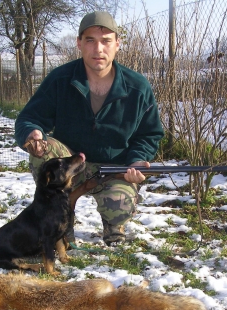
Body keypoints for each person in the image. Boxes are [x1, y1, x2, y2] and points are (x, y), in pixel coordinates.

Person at [15, 11, 164, 246]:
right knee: (46, 150)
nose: (98, 49)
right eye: (90, 40)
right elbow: (30, 117)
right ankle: (61, 221)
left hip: (114, 168)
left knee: (119, 205)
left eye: (106, 41)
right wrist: (33, 133)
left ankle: (114, 225)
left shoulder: (138, 87)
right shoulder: (60, 79)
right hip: (71, 166)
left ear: (117, 44)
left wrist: (136, 161)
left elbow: (149, 134)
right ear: (79, 43)